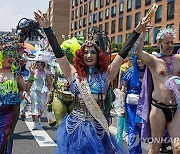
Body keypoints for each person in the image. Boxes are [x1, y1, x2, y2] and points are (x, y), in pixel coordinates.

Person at [34, 10, 152, 154]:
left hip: (98, 129)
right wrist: (47, 28)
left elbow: (122, 53)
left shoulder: (107, 74)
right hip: (74, 128)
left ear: (98, 55)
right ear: (81, 56)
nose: (89, 55)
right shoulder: (72, 73)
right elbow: (59, 53)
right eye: (86, 52)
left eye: (93, 52)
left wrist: (137, 31)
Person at [136, 25, 180, 154]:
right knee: (155, 147)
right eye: (167, 43)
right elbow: (138, 51)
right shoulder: (153, 61)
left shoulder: (178, 59)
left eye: (172, 42)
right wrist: (142, 33)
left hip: (176, 109)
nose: (170, 45)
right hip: (158, 108)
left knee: (177, 148)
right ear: (159, 43)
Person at [0, 43, 35, 153]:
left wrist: (32, 75)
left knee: (5, 136)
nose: (11, 58)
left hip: (11, 111)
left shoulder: (15, 74)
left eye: (13, 56)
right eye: (9, 55)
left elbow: (26, 87)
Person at [120, 55, 145, 154]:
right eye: (138, 58)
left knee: (142, 130)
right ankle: (133, 151)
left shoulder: (149, 73)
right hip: (132, 106)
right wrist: (122, 108)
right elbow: (123, 90)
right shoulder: (129, 72)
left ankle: (138, 151)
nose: (140, 61)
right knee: (133, 129)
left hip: (145, 106)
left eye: (142, 58)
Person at [30, 56, 52, 130]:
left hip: (43, 92)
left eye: (39, 62)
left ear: (43, 64)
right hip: (34, 90)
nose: (38, 64)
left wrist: (50, 92)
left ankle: (37, 118)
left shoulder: (46, 72)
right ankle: (36, 122)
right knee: (35, 105)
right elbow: (30, 81)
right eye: (37, 62)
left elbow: (49, 83)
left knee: (42, 108)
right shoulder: (34, 71)